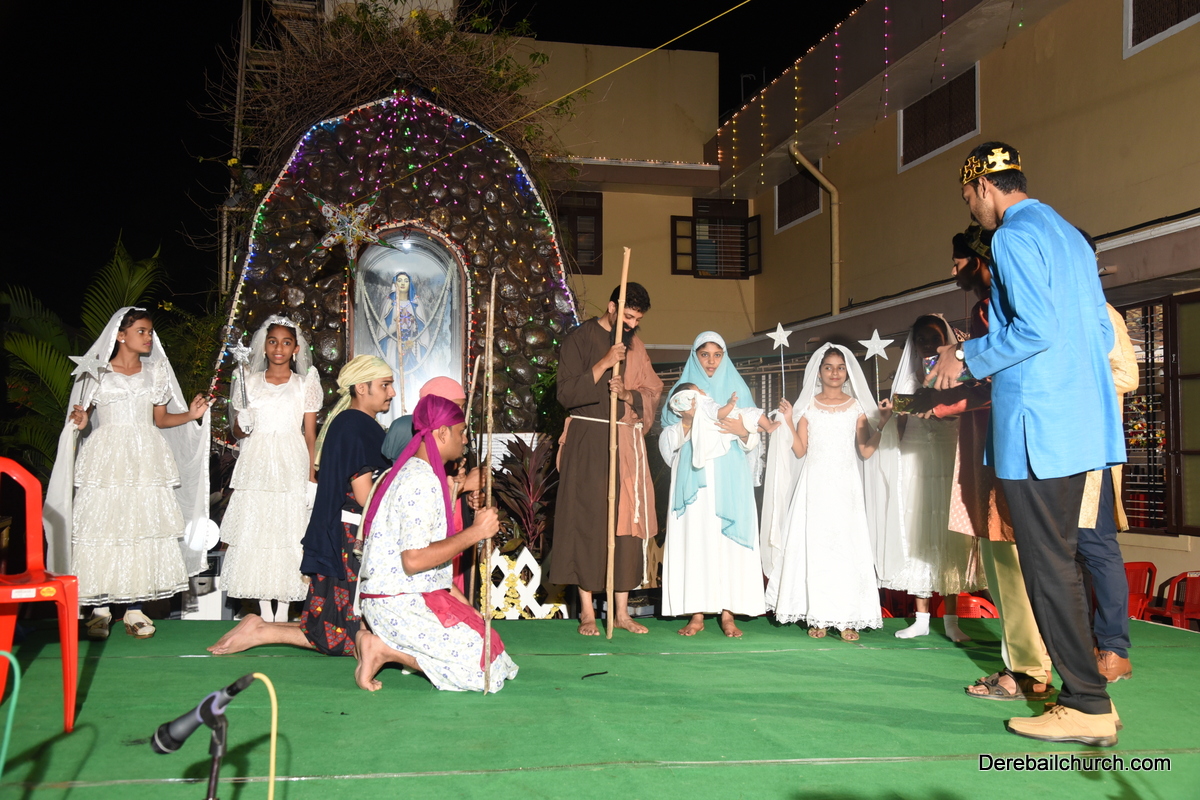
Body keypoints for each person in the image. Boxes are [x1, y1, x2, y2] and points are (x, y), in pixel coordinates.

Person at [930, 142, 1125, 745]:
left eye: (969, 197)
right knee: (1063, 561)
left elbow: (1034, 329)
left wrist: (965, 355)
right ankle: (1090, 698)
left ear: (984, 187)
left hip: (1036, 426)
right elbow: (1098, 332)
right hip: (1080, 422)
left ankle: (1086, 702)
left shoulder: (1012, 236)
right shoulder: (1069, 236)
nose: (972, 209)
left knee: (1046, 566)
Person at [929, 226, 1055, 702]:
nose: (953, 269)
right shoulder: (989, 307)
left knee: (1012, 560)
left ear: (981, 260)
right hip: (994, 446)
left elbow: (1001, 379)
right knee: (1001, 558)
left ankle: (1030, 670)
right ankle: (1023, 664)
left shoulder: (998, 309)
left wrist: (942, 399)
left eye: (959, 260)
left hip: (1010, 448)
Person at [207, 355, 394, 656]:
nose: (391, 392)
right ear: (362, 387)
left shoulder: (353, 422)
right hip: (350, 539)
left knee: (341, 627)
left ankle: (259, 626)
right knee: (343, 637)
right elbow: (364, 495)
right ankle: (262, 631)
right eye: (385, 385)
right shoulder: (355, 426)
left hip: (343, 533)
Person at [44, 307, 212, 640]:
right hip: (107, 457)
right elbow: (84, 416)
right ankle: (100, 608)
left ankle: (135, 609)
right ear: (121, 335)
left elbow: (160, 420)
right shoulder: (97, 372)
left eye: (150, 332)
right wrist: (80, 420)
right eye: (141, 331)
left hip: (146, 456)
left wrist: (191, 415)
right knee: (105, 527)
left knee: (141, 526)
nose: (148, 337)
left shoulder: (155, 372)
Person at [354, 394, 518, 692]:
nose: (465, 439)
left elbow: (431, 569)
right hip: (396, 604)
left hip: (408, 595)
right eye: (461, 432)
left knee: (493, 651)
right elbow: (414, 560)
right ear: (442, 433)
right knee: (484, 672)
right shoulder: (420, 481)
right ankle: (383, 650)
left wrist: (467, 611)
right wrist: (476, 532)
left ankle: (390, 648)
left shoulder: (421, 473)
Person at [551, 283, 663, 636]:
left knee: (624, 524)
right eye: (627, 316)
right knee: (588, 519)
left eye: (637, 320)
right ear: (612, 307)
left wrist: (628, 395)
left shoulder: (636, 346)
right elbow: (565, 393)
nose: (632, 325)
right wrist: (605, 363)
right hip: (588, 440)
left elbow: (652, 390)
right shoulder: (579, 339)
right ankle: (587, 612)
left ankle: (621, 612)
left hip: (624, 442)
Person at [764, 344, 892, 642]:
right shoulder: (808, 407)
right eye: (828, 367)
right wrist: (788, 420)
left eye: (840, 367)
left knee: (846, 548)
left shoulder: (856, 408)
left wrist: (882, 425)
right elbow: (800, 450)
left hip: (846, 488)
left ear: (847, 372)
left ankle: (847, 618)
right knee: (816, 548)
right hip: (814, 486)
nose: (835, 373)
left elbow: (865, 451)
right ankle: (817, 614)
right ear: (819, 372)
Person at [659, 333, 767, 638]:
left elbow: (752, 438)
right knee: (697, 539)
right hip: (694, 479)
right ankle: (697, 612)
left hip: (730, 478)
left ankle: (728, 613)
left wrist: (743, 432)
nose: (711, 361)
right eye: (704, 354)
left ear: (724, 357)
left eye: (717, 354)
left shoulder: (737, 390)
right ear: (694, 356)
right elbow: (667, 441)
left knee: (725, 541)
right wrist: (687, 423)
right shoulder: (682, 393)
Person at [884, 315, 983, 641]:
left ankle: (951, 620)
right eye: (922, 339)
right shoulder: (907, 376)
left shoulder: (957, 372)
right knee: (918, 532)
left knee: (947, 531)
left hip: (948, 453)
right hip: (915, 457)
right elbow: (898, 417)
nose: (927, 344)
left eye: (933, 338)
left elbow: (965, 406)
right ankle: (921, 617)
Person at [220, 316, 321, 622]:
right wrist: (242, 423)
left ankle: (285, 609)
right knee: (259, 527)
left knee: (289, 530)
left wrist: (311, 477)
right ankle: (264, 609)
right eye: (273, 341)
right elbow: (237, 431)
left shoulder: (305, 383)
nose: (279, 348)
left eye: (286, 342)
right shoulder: (248, 381)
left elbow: (310, 434)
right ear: (264, 346)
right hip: (257, 461)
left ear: (296, 348)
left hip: (291, 460)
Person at [1077, 300, 1139, 682]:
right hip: (1059, 449)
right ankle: (1082, 644)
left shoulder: (1101, 311)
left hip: (1092, 449)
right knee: (1069, 552)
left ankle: (1115, 649)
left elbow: (1128, 375)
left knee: (1097, 546)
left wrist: (1072, 384)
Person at [380, 376, 480, 593]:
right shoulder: (419, 476)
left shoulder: (434, 464)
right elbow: (415, 556)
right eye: (454, 406)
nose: (460, 413)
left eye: (461, 407)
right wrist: (461, 489)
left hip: (448, 534)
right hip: (406, 589)